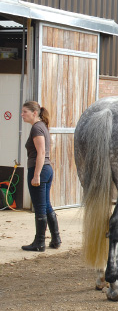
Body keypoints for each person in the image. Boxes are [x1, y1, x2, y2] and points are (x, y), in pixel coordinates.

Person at [20, 101, 60, 251]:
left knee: (40, 207)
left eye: (25, 112)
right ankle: (55, 239)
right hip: (46, 169)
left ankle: (39, 242)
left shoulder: (37, 128)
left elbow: (41, 152)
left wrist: (36, 175)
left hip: (40, 170)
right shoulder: (41, 126)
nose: (22, 115)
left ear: (34, 113)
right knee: (46, 205)